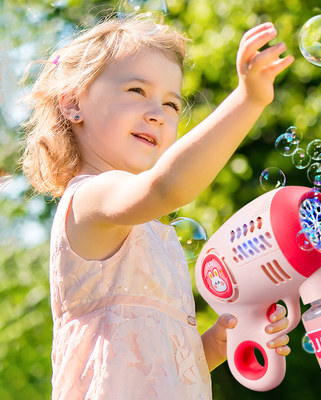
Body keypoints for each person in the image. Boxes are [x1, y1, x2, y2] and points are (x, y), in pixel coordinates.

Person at [20, 13, 294, 400]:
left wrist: (216, 345)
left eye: (171, 103)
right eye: (136, 90)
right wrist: (247, 100)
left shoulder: (146, 228)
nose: (157, 113)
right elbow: (167, 187)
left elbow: (153, 365)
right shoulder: (89, 200)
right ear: (73, 104)